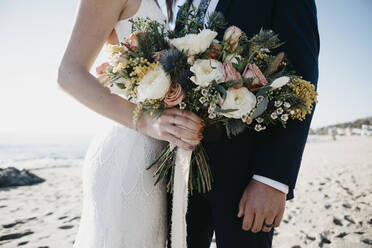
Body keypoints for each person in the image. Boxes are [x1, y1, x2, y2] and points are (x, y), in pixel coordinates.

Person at [163, 0, 320, 247]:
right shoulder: (186, 8)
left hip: (246, 176)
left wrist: (272, 180)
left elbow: (300, 80)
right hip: (181, 169)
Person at [57, 0, 204, 247]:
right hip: (128, 154)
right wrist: (145, 120)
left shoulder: (168, 4)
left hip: (158, 159)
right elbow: (69, 74)